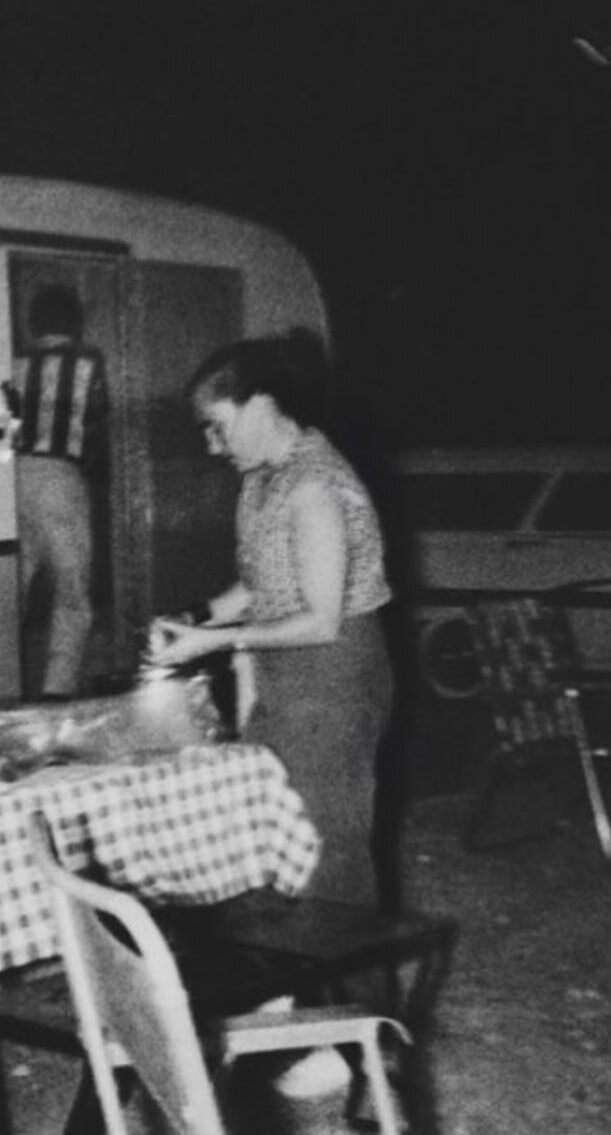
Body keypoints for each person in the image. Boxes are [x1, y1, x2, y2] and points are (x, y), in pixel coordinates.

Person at [148, 328, 395, 909]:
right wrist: (197, 618)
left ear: (260, 405)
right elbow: (261, 587)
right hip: (282, 675)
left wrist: (211, 643)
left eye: (218, 425)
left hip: (332, 678)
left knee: (327, 850)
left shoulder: (315, 485)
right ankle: (290, 984)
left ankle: (354, 993)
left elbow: (322, 620)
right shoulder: (262, 479)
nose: (212, 445)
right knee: (269, 833)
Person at [6, 284, 109, 700]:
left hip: (12, 476)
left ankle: (2, 679)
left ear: (34, 323)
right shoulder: (88, 360)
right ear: (75, 322)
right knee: (72, 594)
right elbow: (97, 425)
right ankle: (56, 692)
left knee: (15, 586)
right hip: (60, 476)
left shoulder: (12, 362)